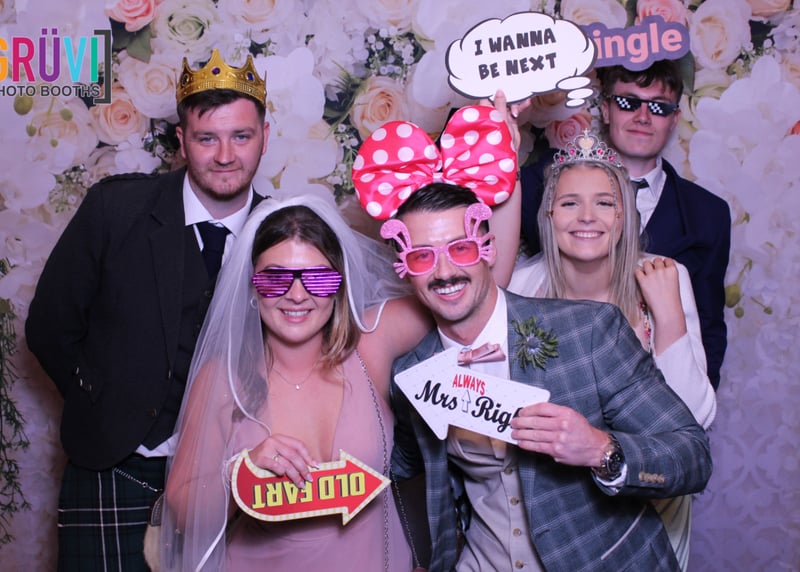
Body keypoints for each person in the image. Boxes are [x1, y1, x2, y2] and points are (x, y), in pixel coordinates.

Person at [161, 96, 522, 570]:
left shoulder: (370, 345)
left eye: (317, 278)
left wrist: (504, 164)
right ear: (251, 286)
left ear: (339, 285)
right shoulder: (224, 376)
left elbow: (481, 289)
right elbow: (182, 508)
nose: (296, 295)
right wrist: (240, 475)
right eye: (275, 279)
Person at [382, 183, 712, 572]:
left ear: (488, 249)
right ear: (405, 268)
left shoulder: (588, 332)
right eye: (422, 257)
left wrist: (600, 449)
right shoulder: (411, 375)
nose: (444, 272)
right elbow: (398, 468)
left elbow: (692, 456)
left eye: (461, 249)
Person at [25, 49, 269, 570]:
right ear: (182, 140)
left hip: (233, 472)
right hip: (114, 464)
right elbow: (50, 326)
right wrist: (103, 401)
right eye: (207, 138)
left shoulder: (284, 232)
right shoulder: (115, 210)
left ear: (264, 137)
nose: (226, 155)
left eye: (241, 136)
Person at [508, 129, 716, 570]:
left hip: (653, 504)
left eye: (604, 203)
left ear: (623, 218)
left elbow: (694, 421)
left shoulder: (665, 276)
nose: (587, 217)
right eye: (570, 203)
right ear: (548, 216)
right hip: (560, 511)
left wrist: (668, 315)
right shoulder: (523, 287)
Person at [520, 59, 731, 389]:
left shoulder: (708, 213)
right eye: (628, 102)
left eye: (658, 107)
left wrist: (692, 408)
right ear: (605, 110)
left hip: (655, 391)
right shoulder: (539, 184)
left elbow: (709, 324)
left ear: (675, 118)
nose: (643, 117)